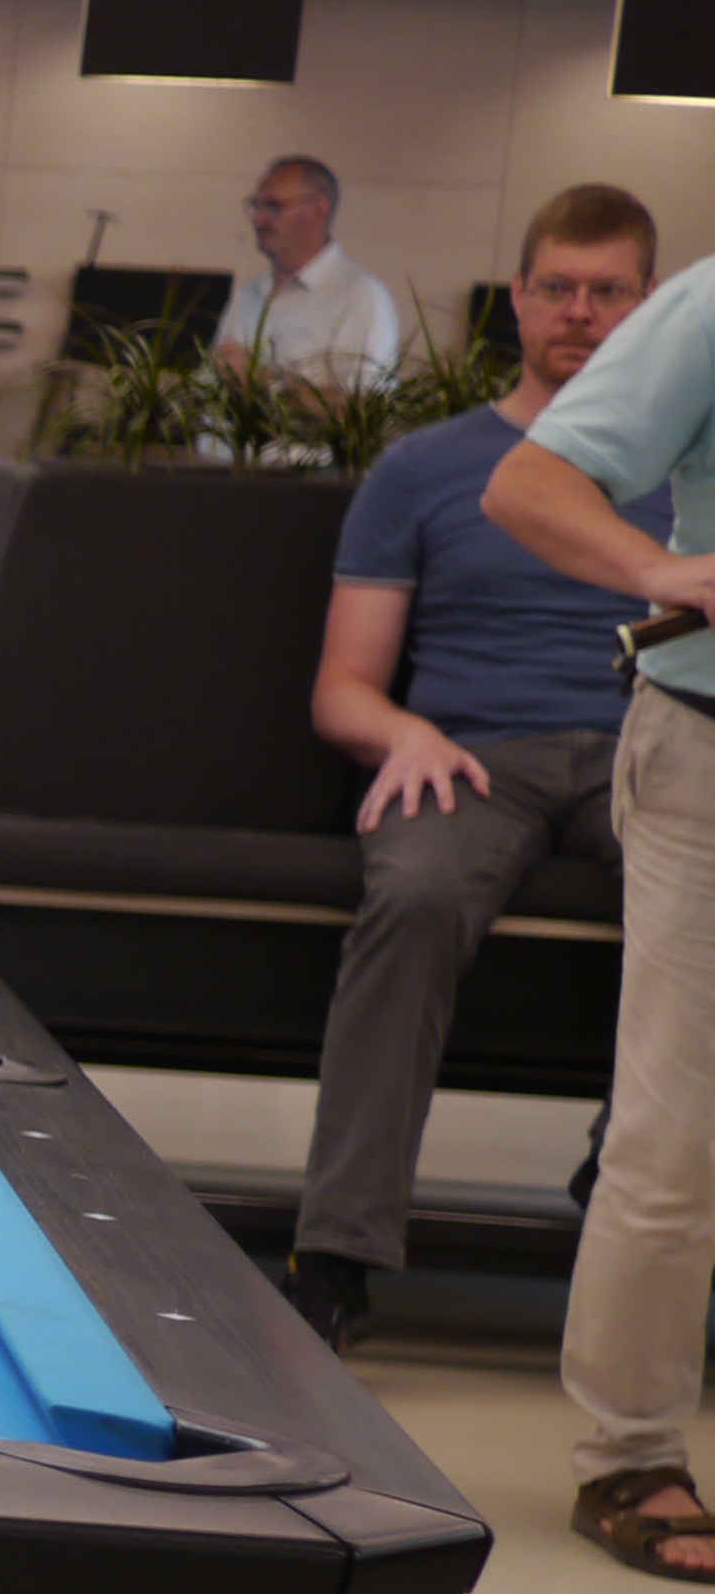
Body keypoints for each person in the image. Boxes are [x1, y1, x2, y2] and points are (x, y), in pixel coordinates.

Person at [286, 186, 669, 1349]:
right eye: (558, 288)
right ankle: (338, 1249)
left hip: (647, 751)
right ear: (519, 296)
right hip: (468, 758)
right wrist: (402, 732)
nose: (580, 312)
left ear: (650, 304)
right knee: (414, 893)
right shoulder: (425, 469)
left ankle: (627, 1171)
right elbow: (344, 686)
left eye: (608, 291)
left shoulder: (691, 471)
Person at [482, 253, 715, 1580]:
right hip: (708, 753)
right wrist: (664, 569)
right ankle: (630, 1453)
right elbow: (529, 483)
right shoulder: (712, 305)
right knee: (676, 1132)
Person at [218, 156, 408, 394]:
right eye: (256, 206)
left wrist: (264, 380)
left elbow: (365, 406)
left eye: (274, 206)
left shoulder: (360, 296)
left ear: (318, 209)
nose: (259, 219)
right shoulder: (247, 294)